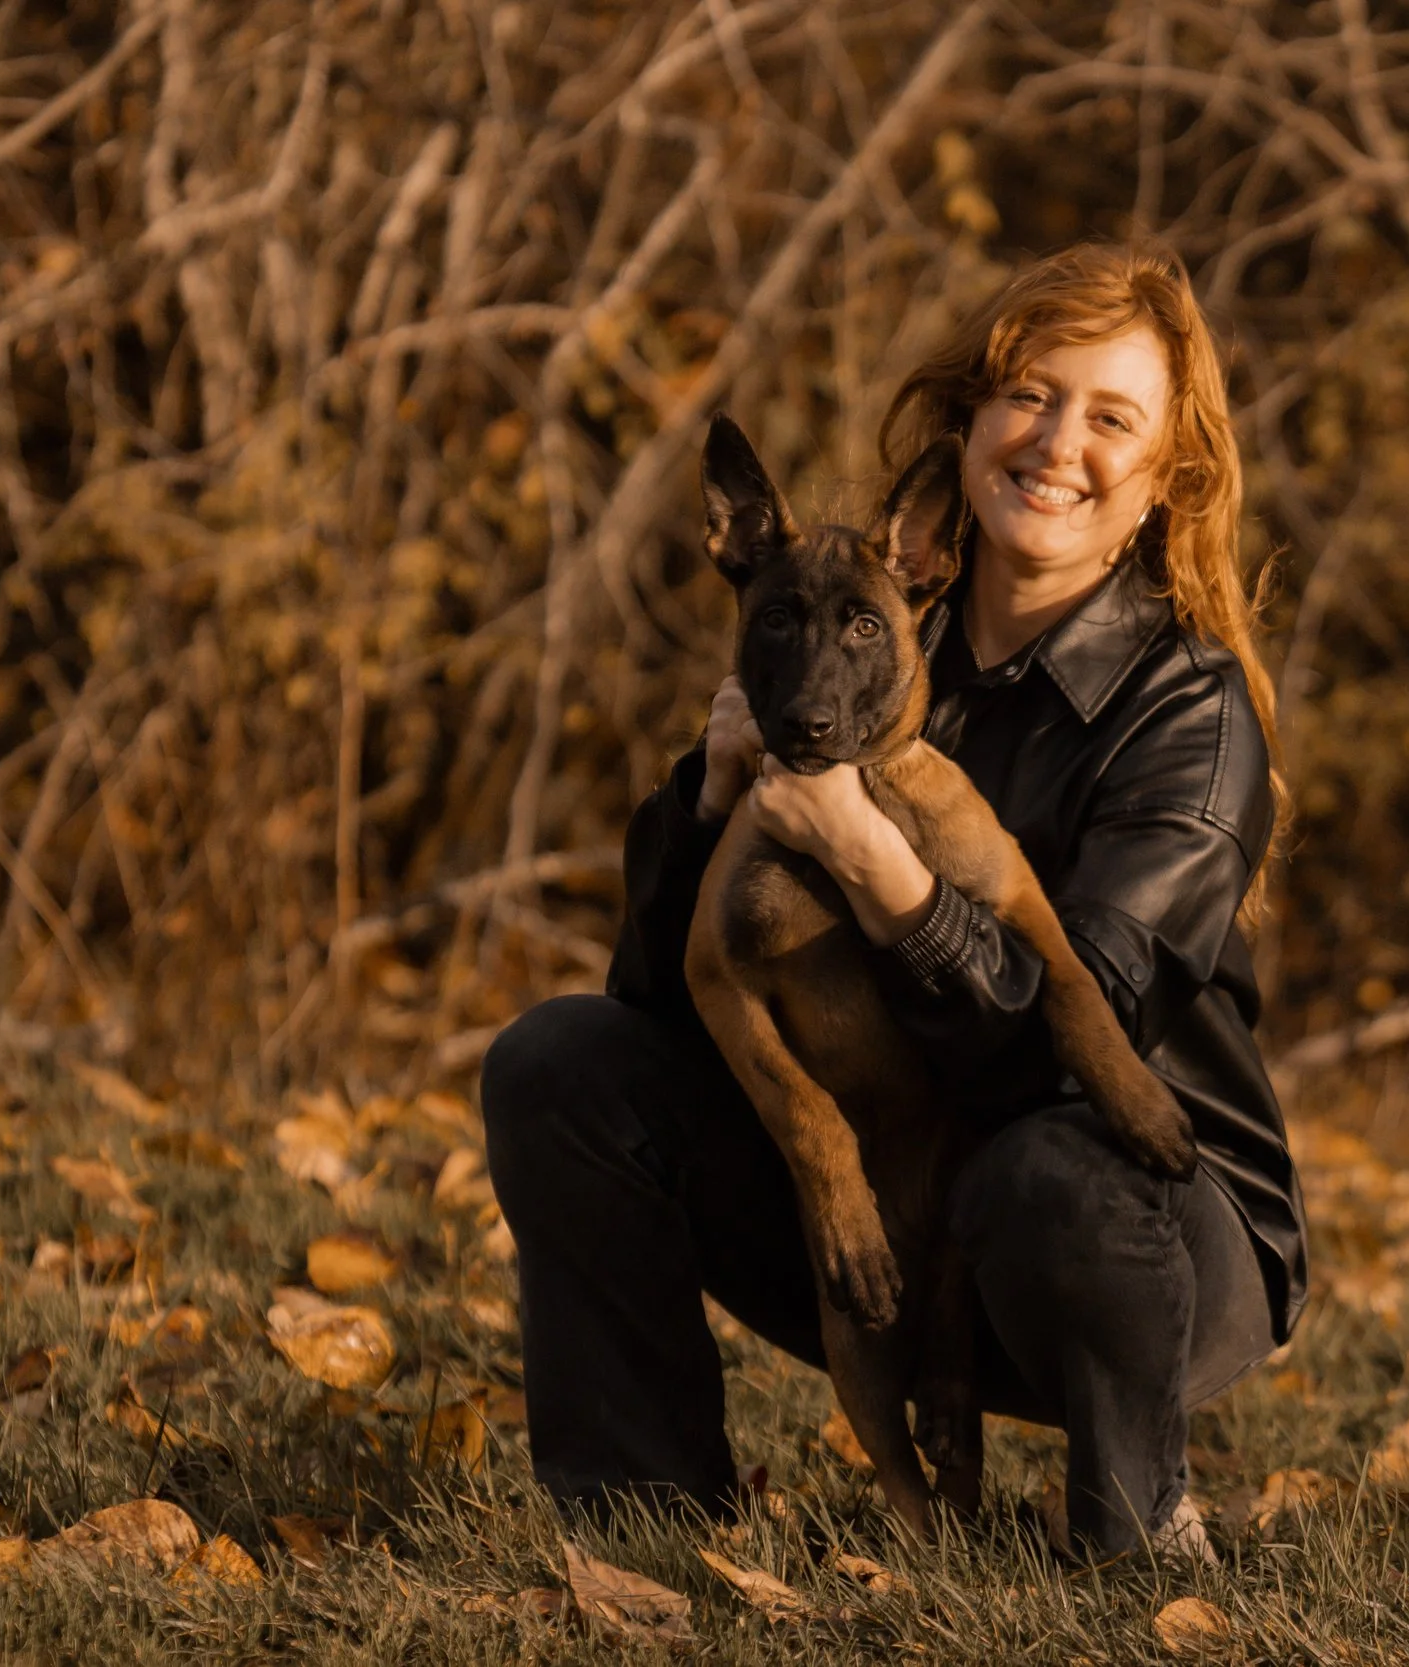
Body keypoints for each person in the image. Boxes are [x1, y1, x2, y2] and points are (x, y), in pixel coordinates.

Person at [480, 242, 1305, 1558]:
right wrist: (708, 807)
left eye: (1111, 418)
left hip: (1142, 1227)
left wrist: (878, 865)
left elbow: (1064, 1058)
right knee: (564, 1067)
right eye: (1032, 394)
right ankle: (643, 1521)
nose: (1056, 442)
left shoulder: (1188, 715)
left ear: (1163, 483)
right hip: (888, 1188)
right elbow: (661, 1000)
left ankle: (1139, 1526)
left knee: (1050, 1172)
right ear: (970, 420)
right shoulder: (831, 623)